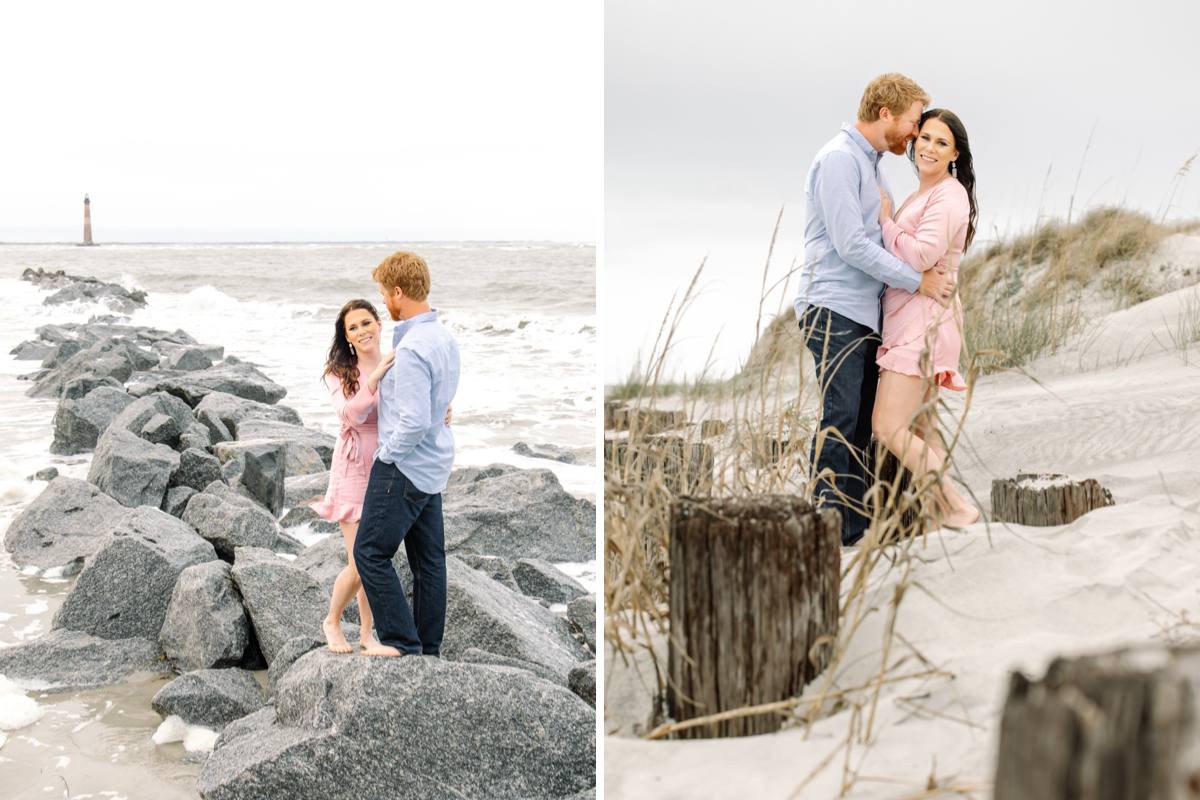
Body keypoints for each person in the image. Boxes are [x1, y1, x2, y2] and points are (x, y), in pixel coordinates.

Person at [795, 73, 955, 546]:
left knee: (861, 422)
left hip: (864, 313)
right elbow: (850, 245)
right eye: (911, 121)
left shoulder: (871, 165)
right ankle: (828, 532)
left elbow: (879, 234)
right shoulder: (841, 160)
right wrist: (917, 282)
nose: (914, 132)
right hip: (834, 305)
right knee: (841, 417)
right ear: (886, 113)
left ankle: (854, 528)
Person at [873, 108, 981, 527]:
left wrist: (885, 222)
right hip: (912, 319)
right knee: (922, 428)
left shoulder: (950, 194)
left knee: (888, 425)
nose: (930, 148)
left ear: (955, 154)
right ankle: (938, 514)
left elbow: (922, 255)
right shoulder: (924, 194)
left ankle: (954, 506)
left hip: (924, 324)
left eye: (942, 142)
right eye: (926, 138)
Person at [353, 251, 460, 658]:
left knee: (369, 552)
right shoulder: (444, 338)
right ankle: (428, 648)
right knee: (428, 561)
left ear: (399, 291)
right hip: (433, 463)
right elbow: (441, 401)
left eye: (384, 293)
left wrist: (387, 455)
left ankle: (401, 643)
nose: (383, 302)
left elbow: (413, 420)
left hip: (406, 464)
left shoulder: (414, 347)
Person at [311, 299, 394, 653]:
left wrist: (444, 411)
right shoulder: (339, 373)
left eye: (366, 323)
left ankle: (366, 636)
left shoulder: (397, 361)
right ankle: (332, 621)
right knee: (361, 560)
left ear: (379, 322)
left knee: (373, 558)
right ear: (346, 337)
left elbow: (416, 403)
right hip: (351, 470)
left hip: (388, 467)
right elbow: (351, 415)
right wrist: (373, 379)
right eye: (353, 328)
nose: (362, 331)